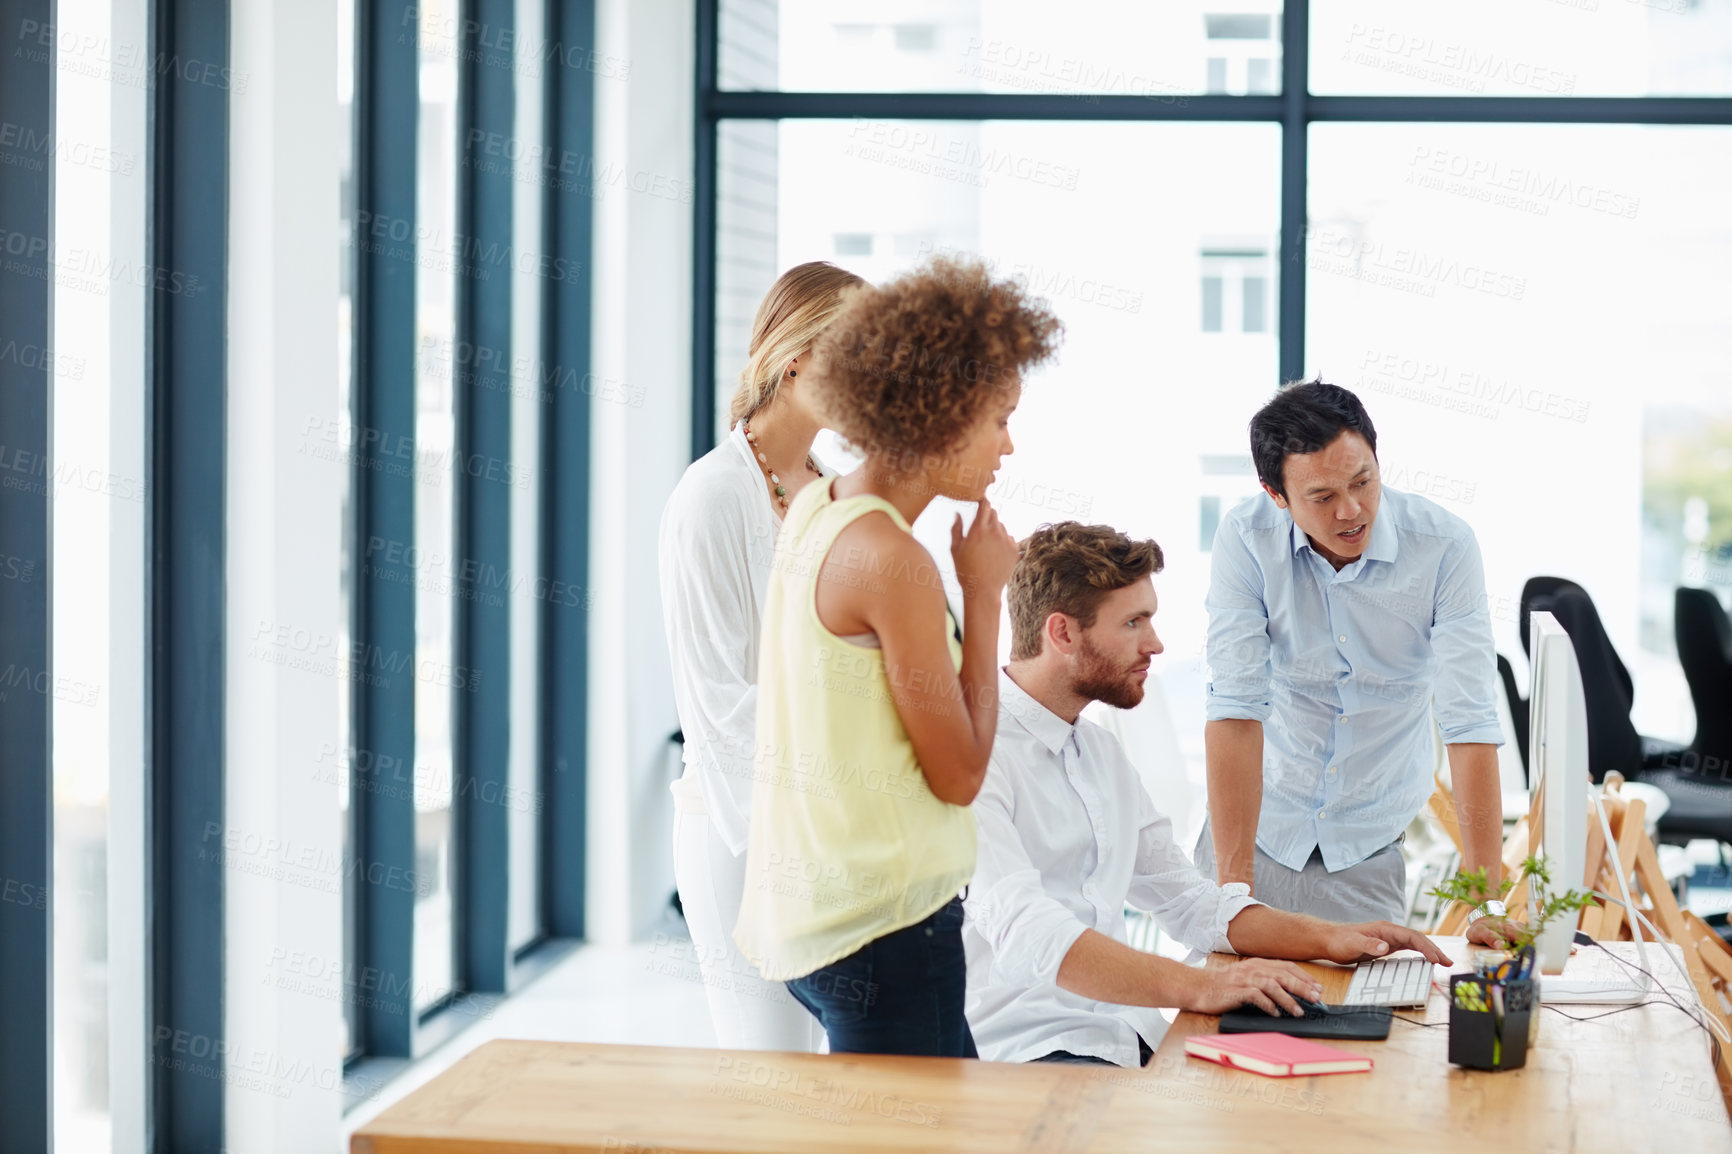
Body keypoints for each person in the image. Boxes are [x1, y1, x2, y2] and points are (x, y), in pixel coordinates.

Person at [964, 521, 1473, 1068]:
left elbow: (1187, 899)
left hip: (1122, 1032)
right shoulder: (974, 760)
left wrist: (1333, 937)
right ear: (1061, 634)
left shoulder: (1096, 752)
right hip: (1031, 1051)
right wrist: (1201, 986)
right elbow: (1027, 931)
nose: (1154, 644)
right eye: (1134, 622)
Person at [732, 255, 1062, 1057]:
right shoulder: (892, 560)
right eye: (999, 418)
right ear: (940, 416)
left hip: (821, 920)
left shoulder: (817, 505)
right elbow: (960, 775)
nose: (1008, 446)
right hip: (882, 931)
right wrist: (984, 596)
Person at [1196, 381, 1514, 939]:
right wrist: (1232, 897)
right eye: (1321, 497)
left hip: (1365, 852)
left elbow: (1468, 721)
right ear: (1276, 494)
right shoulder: (1245, 539)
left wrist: (1484, 903)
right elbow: (1236, 706)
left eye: (1363, 481)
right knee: (1218, 1023)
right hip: (1254, 837)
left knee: (1363, 1018)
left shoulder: (1444, 548)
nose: (1351, 510)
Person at [658, 261, 865, 1051]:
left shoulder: (838, 494)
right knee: (769, 1074)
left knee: (831, 1079)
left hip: (837, 825)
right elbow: (719, 700)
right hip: (743, 830)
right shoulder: (711, 496)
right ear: (799, 359)